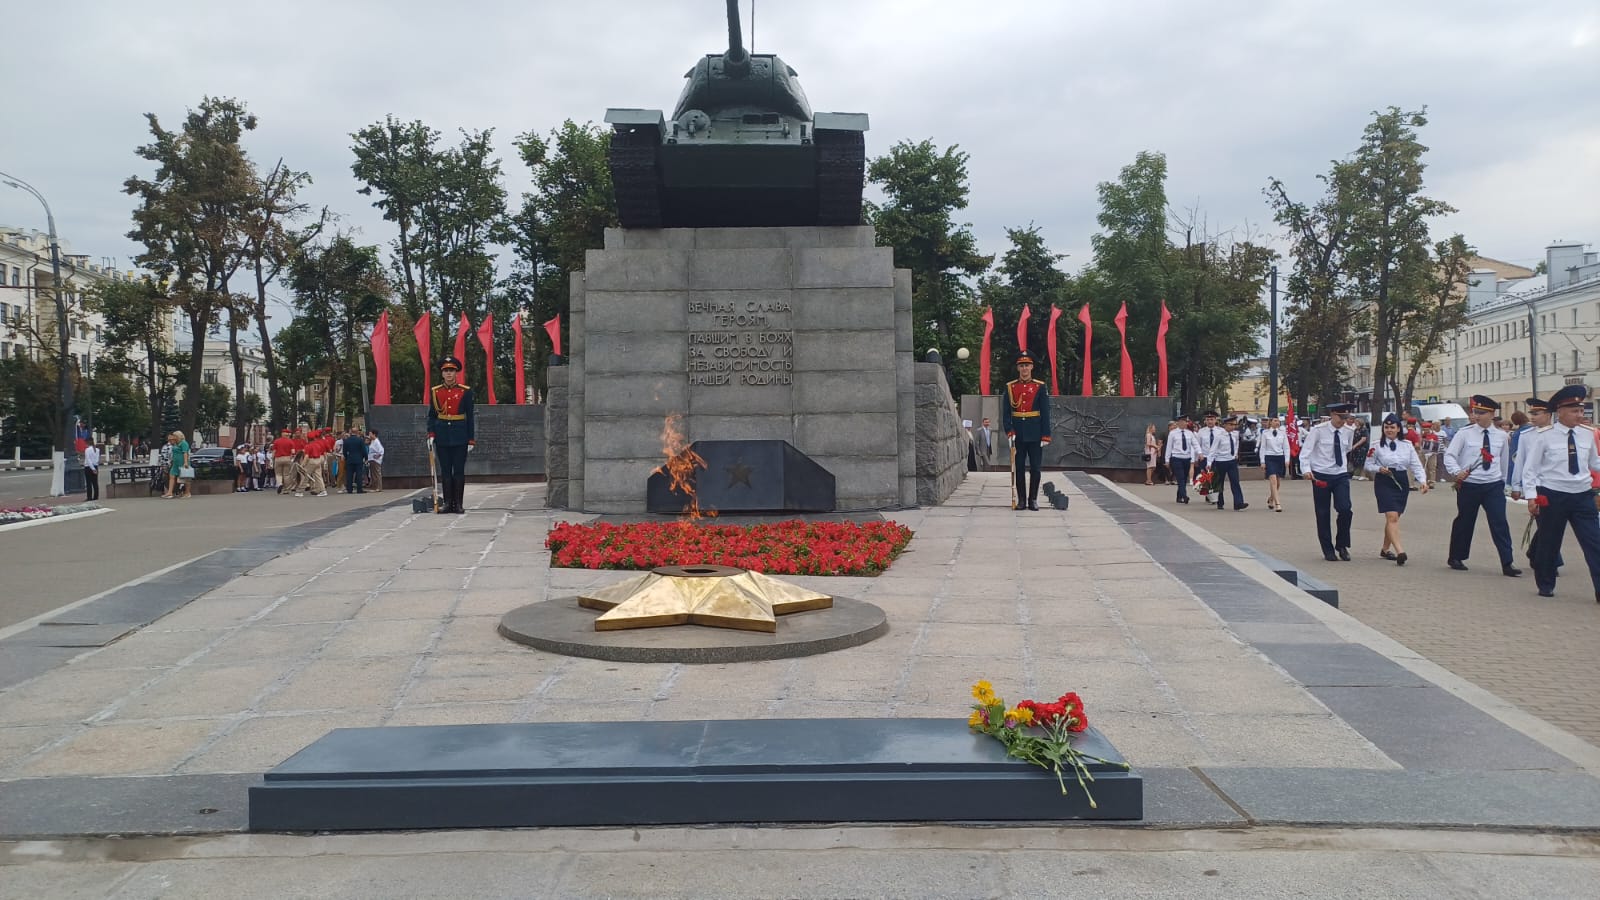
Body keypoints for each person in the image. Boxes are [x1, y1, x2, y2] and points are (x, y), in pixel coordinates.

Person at [1521, 385, 1600, 603]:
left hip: (1582, 496)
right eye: (1574, 411)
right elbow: (1530, 470)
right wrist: (1531, 497)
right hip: (1553, 495)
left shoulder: (1587, 435)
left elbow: (1594, 462)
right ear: (1560, 412)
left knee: (1595, 543)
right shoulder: (1544, 436)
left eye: (1581, 410)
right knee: (1549, 542)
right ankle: (1545, 584)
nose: (1580, 415)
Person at [1443, 395, 1520, 577]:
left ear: (1492, 414)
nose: (1476, 416)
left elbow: (1504, 461)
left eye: (1481, 413)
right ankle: (1456, 557)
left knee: (1499, 522)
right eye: (1475, 412)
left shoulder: (1501, 436)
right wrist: (1457, 472)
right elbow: (1450, 455)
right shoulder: (1464, 433)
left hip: (1492, 485)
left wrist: (1503, 483)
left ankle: (1507, 562)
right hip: (1469, 485)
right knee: (1465, 521)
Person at [1366, 413, 1430, 565]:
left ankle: (1385, 549)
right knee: (1392, 517)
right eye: (1386, 427)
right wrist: (1378, 468)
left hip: (1401, 481)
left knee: (1394, 518)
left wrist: (1423, 481)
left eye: (1392, 427)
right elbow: (1368, 465)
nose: (1389, 430)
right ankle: (1400, 551)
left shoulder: (1407, 445)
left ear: (1398, 429)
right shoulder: (1376, 445)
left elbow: (1415, 465)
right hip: (1384, 480)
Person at [1299, 402, 1358, 561]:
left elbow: (1347, 449)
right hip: (1321, 475)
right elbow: (1306, 452)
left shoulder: (1348, 431)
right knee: (1323, 513)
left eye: (1346, 417)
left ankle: (1342, 545)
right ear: (1332, 415)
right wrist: (1306, 470)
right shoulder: (1318, 430)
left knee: (1345, 509)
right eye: (1340, 417)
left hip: (1340, 474)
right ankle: (1327, 549)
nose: (1343, 421)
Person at [1000, 354, 1051, 512]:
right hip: (1018, 434)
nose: (1024, 369)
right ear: (1018, 368)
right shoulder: (1010, 387)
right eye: (1021, 366)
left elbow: (1045, 412)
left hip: (1035, 433)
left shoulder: (1040, 386)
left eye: (1027, 365)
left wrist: (1046, 435)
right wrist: (1009, 431)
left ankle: (1033, 499)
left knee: (1035, 468)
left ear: (1031, 367)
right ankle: (1022, 500)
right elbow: (1006, 412)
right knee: (1019, 468)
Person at [428, 355, 478, 514]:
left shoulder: (465, 391)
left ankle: (458, 504)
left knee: (458, 471)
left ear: (456, 373)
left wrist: (471, 439)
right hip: (442, 435)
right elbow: (432, 415)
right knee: (445, 471)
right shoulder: (435, 391)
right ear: (442, 373)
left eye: (451, 370)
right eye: (446, 371)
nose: (449, 373)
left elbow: (470, 416)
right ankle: (448, 503)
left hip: (460, 435)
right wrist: (431, 434)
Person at [1198, 413, 1247, 511]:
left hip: (1231, 461)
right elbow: (1213, 450)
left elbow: (1236, 445)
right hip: (1220, 462)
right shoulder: (1219, 436)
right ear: (1225, 425)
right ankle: (1220, 502)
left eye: (1234, 424)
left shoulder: (1235, 434)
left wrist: (1235, 454)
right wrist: (1209, 463)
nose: (1233, 426)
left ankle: (1238, 503)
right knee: (1220, 483)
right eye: (1231, 425)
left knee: (1235, 482)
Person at [1258, 415, 1289, 512]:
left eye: (1278, 421)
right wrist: (1262, 461)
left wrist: (1287, 459)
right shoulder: (1265, 433)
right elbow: (1263, 447)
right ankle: (1278, 504)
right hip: (1269, 457)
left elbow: (1286, 447)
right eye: (1275, 420)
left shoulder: (1282, 433)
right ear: (1270, 422)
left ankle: (1271, 498)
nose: (1277, 422)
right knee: (1273, 480)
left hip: (1280, 457)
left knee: (1278, 483)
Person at [1165, 413, 1196, 504]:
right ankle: (1184, 496)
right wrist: (1167, 460)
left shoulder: (1189, 433)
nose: (1183, 423)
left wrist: (1200, 453)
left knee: (1184, 478)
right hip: (1176, 458)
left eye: (1185, 421)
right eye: (1181, 421)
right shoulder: (1173, 433)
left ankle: (1179, 496)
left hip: (1186, 458)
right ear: (1178, 423)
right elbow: (1169, 447)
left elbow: (1195, 444)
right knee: (1180, 477)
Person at [164, 431, 190, 500]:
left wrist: (186, 462)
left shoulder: (184, 443)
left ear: (178, 436)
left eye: (175, 436)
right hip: (175, 463)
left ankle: (187, 492)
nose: (174, 437)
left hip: (182, 463)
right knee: (172, 476)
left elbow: (185, 453)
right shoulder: (176, 443)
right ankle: (170, 492)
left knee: (185, 478)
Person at [342, 427, 369, 494]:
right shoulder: (360, 440)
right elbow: (364, 450)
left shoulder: (347, 440)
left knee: (349, 475)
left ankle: (349, 489)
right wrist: (366, 458)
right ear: (357, 432)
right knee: (359, 474)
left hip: (350, 459)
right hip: (358, 459)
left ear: (351, 432)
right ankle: (359, 489)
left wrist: (347, 457)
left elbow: (344, 451)